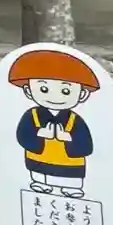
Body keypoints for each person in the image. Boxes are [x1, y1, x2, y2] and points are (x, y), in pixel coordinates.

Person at [9, 48, 99, 198]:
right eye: (44, 89)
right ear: (28, 91)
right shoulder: (32, 116)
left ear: (82, 94)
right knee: (40, 177)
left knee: (71, 181)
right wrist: (39, 134)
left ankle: (72, 187)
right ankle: (40, 183)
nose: (55, 97)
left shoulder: (74, 120)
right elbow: (22, 135)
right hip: (39, 161)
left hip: (70, 164)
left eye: (66, 91)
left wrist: (69, 138)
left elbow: (86, 144)